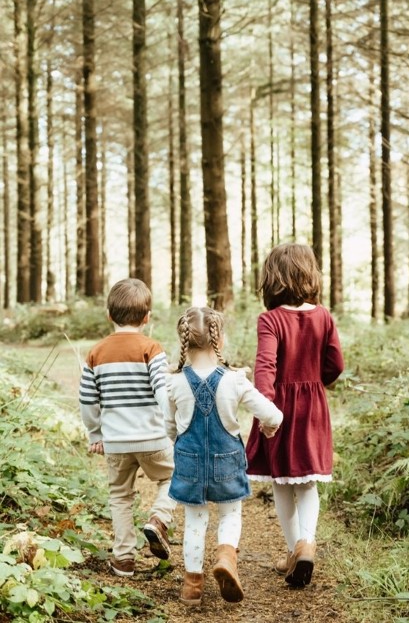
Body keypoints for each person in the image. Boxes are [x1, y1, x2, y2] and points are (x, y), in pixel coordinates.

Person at [165, 306, 283, 606]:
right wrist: (269, 428)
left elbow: (168, 426)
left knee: (194, 521)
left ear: (184, 341)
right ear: (220, 339)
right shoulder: (235, 380)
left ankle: (192, 585)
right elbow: (273, 414)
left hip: (190, 461)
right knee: (230, 514)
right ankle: (226, 557)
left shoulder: (175, 382)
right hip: (227, 460)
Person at [245, 243, 344, 588]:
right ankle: (307, 542)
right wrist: (318, 384)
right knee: (307, 482)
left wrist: (267, 412)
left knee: (282, 480)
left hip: (281, 409)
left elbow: (265, 367)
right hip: (314, 407)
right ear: (310, 276)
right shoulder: (324, 316)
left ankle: (293, 549)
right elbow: (336, 364)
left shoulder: (270, 320)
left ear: (271, 281)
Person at [79, 278, 175, 578]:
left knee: (120, 496)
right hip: (153, 438)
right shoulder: (152, 348)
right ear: (147, 317)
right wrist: (172, 426)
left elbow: (87, 400)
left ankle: (123, 559)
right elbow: (163, 391)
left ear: (109, 314)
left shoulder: (96, 353)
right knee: (176, 475)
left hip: (116, 443)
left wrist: (96, 434)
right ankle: (159, 519)